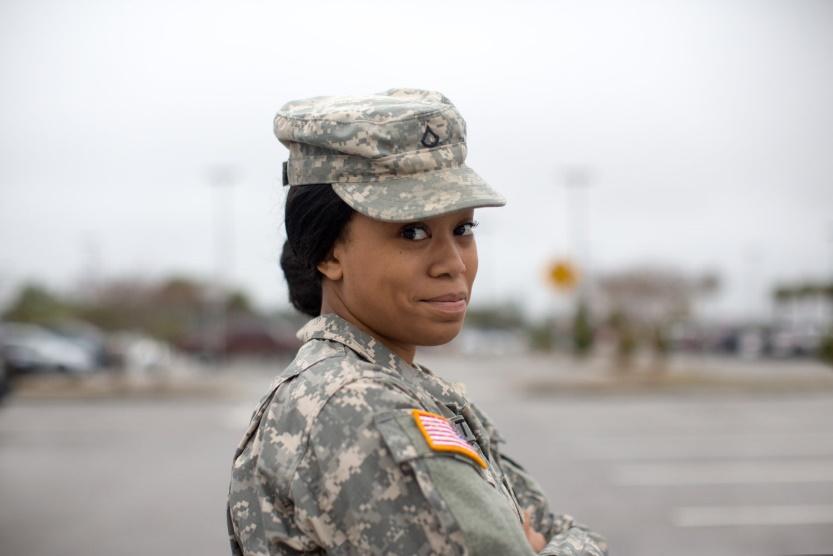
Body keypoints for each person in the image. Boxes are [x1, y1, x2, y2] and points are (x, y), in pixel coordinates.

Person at [227, 88, 608, 556]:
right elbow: (557, 533)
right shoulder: (363, 407)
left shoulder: (395, 383)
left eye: (463, 229)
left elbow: (548, 523)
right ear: (328, 252)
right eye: (412, 231)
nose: (453, 263)